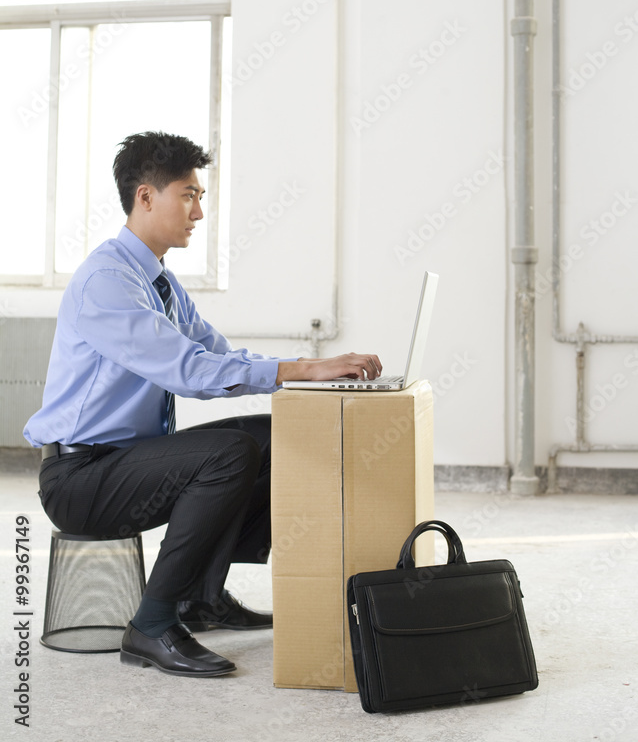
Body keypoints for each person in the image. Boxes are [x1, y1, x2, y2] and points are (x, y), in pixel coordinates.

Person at [23, 131, 382, 678]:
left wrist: (316, 377)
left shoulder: (160, 282)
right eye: (188, 195)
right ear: (146, 197)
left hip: (123, 463)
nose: (198, 211)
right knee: (229, 453)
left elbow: (216, 353)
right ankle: (152, 624)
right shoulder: (108, 281)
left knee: (273, 435)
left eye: (201, 197)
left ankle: (202, 598)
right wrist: (308, 368)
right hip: (80, 479)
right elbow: (191, 373)